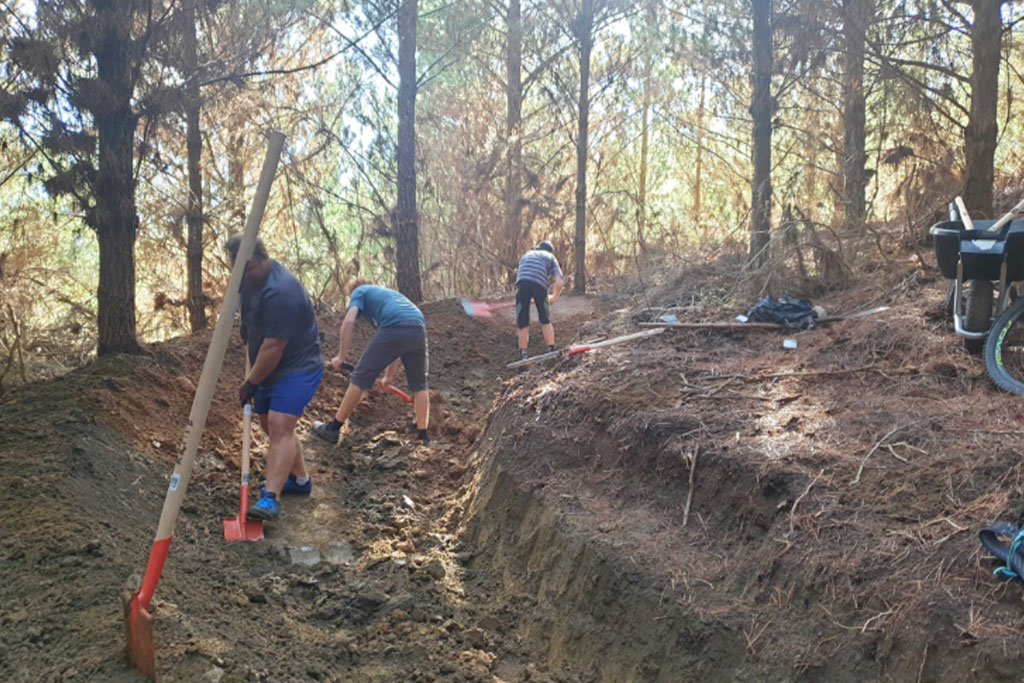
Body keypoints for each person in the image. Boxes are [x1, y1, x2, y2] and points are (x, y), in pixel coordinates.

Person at [227, 235, 323, 521]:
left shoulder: (282, 291)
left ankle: (271, 498)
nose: (242, 276)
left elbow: (273, 348)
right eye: (237, 270)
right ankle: (300, 481)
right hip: (270, 365)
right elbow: (243, 297)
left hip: (298, 366)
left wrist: (250, 383)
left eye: (247, 270)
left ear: (261, 258)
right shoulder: (249, 278)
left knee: (281, 424)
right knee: (270, 424)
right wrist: (245, 323)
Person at [311, 281, 431, 446]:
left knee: (360, 378)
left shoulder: (359, 291)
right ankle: (423, 437)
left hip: (395, 325)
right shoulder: (389, 296)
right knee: (420, 385)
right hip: (418, 327)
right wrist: (388, 377)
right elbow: (397, 348)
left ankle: (333, 429)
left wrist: (340, 356)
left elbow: (349, 321)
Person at [515, 240, 564, 361]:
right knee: (545, 320)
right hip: (539, 285)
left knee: (523, 322)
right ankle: (551, 351)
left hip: (521, 285)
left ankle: (523, 357)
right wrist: (553, 297)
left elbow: (523, 275)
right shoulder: (550, 256)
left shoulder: (526, 255)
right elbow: (559, 283)